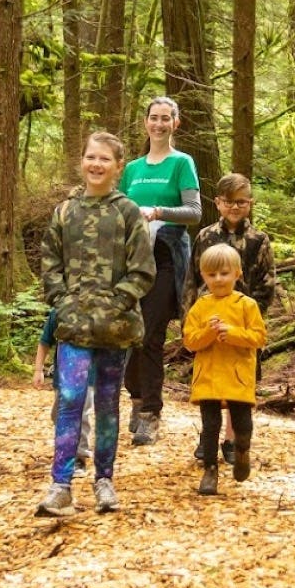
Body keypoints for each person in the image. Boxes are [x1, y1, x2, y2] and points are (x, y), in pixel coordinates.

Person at [36, 132, 156, 516]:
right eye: (90, 157)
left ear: (118, 166)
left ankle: (104, 479)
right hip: (73, 327)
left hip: (115, 328)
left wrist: (118, 302)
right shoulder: (64, 212)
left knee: (107, 403)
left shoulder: (127, 212)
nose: (96, 165)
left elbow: (142, 269)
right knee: (70, 399)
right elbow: (49, 262)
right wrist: (63, 301)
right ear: (82, 161)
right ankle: (61, 485)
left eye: (105, 159)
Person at [119, 96, 202, 446]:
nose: (159, 124)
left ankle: (152, 412)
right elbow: (118, 208)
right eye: (154, 118)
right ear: (145, 122)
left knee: (151, 334)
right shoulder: (132, 169)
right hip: (132, 258)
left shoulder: (182, 163)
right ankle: (136, 401)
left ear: (175, 124)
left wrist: (158, 212)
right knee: (129, 334)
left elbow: (194, 212)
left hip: (167, 255)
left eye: (166, 118)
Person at [183, 173, 276, 464]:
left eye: (241, 202)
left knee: (240, 384)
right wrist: (188, 313)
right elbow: (191, 278)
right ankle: (208, 438)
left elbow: (267, 283)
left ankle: (233, 441)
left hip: (242, 324)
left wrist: (251, 317)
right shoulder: (206, 236)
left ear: (249, 203)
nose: (234, 207)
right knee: (209, 381)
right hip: (208, 322)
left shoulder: (259, 240)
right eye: (228, 202)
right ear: (218, 203)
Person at [182, 244, 267, 495]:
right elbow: (190, 341)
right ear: (203, 275)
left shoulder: (246, 305)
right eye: (211, 274)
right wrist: (209, 332)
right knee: (209, 426)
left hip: (237, 375)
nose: (218, 279)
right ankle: (210, 470)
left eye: (224, 273)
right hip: (207, 375)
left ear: (237, 274)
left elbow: (258, 337)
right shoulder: (199, 306)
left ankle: (242, 451)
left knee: (242, 424)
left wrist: (232, 333)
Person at [33, 309, 94, 477]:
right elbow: (45, 342)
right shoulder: (59, 311)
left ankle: (79, 457)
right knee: (58, 415)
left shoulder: (98, 308)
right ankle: (65, 447)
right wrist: (39, 370)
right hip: (64, 376)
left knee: (82, 414)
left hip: (89, 375)